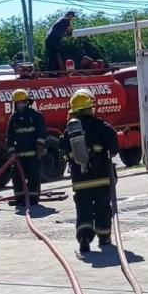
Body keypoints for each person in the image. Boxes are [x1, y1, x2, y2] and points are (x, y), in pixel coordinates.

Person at [60, 89, 119, 253]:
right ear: (90, 108)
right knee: (102, 206)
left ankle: (84, 237)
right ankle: (104, 236)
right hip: (101, 176)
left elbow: (63, 150)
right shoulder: (102, 126)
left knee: (83, 208)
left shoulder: (69, 131)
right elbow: (114, 147)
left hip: (80, 180)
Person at [6, 89, 47, 207]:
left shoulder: (36, 116)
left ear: (27, 102)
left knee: (33, 178)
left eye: (23, 102)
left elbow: (42, 132)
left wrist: (40, 146)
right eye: (18, 103)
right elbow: (9, 137)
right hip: (18, 157)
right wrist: (11, 152)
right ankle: (20, 199)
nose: (21, 105)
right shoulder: (13, 118)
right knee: (17, 178)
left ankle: (33, 200)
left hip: (33, 155)